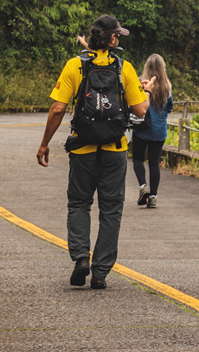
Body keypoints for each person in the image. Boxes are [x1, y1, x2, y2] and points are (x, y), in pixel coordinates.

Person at [37, 15, 152, 290]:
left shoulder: (75, 66)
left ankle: (81, 259)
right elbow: (140, 110)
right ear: (112, 39)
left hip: (82, 148)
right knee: (111, 210)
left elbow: (57, 108)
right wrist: (144, 92)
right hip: (115, 149)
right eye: (118, 35)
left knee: (79, 203)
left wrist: (44, 143)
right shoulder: (124, 68)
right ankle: (100, 272)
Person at [133, 53, 173, 209]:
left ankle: (143, 186)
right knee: (154, 163)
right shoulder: (167, 86)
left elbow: (135, 102)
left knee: (138, 159)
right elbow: (170, 107)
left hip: (142, 128)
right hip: (159, 130)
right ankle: (154, 197)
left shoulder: (140, 82)